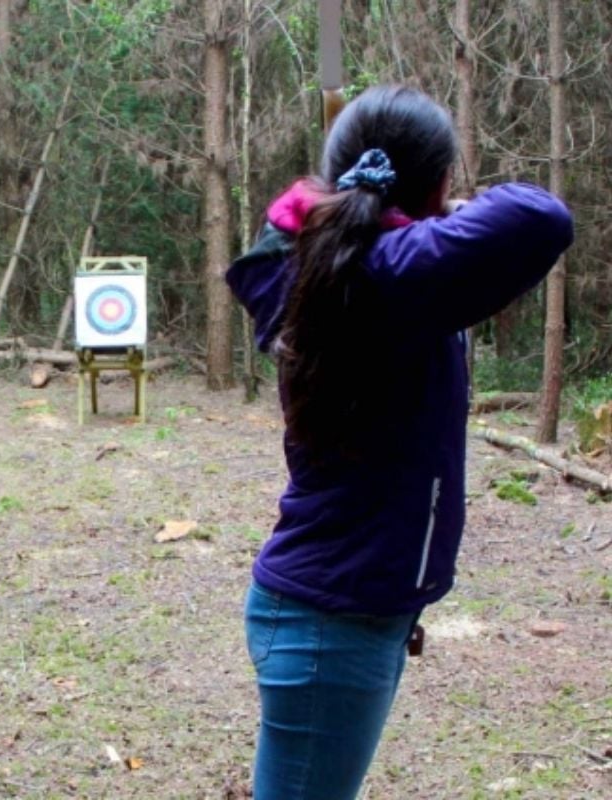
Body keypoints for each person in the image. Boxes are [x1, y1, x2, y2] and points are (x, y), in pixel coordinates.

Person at [226, 85, 574, 799]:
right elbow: (541, 216)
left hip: (336, 609)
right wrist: (427, 212)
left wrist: (336, 201)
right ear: (438, 186)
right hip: (333, 621)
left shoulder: (322, 272)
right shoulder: (391, 276)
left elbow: (279, 239)